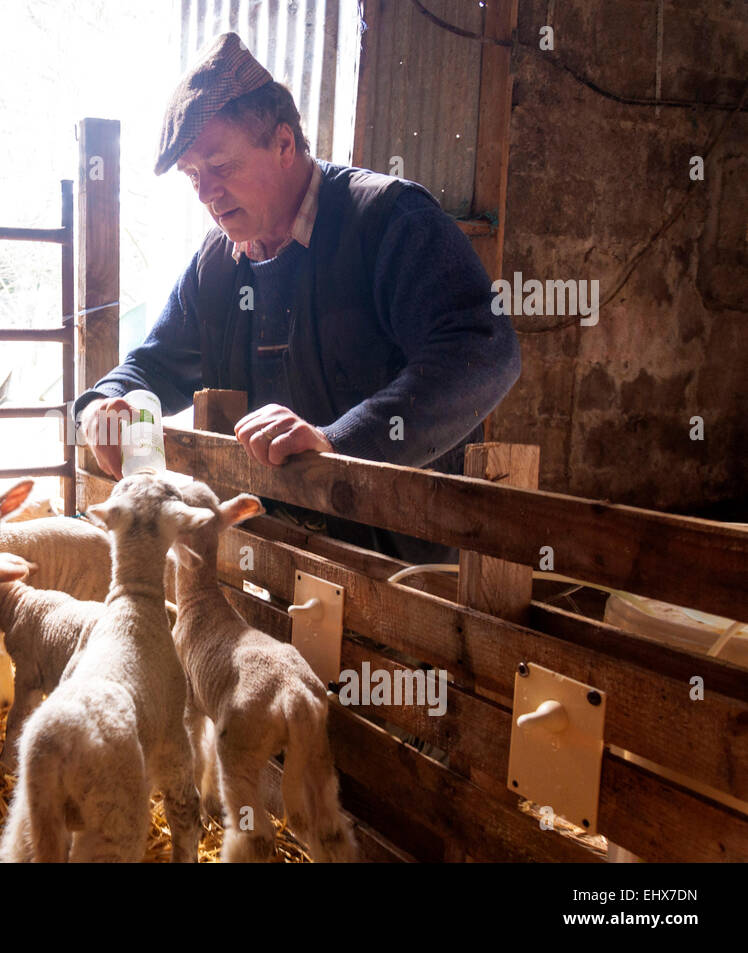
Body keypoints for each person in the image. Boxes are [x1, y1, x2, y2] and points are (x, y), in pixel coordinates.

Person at [73, 32, 521, 563]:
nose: (206, 193)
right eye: (194, 176)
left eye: (221, 165)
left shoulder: (387, 222)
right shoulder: (216, 265)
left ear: (284, 144)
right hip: (269, 555)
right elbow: (154, 365)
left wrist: (339, 441)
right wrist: (104, 403)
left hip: (398, 563)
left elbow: (484, 352)